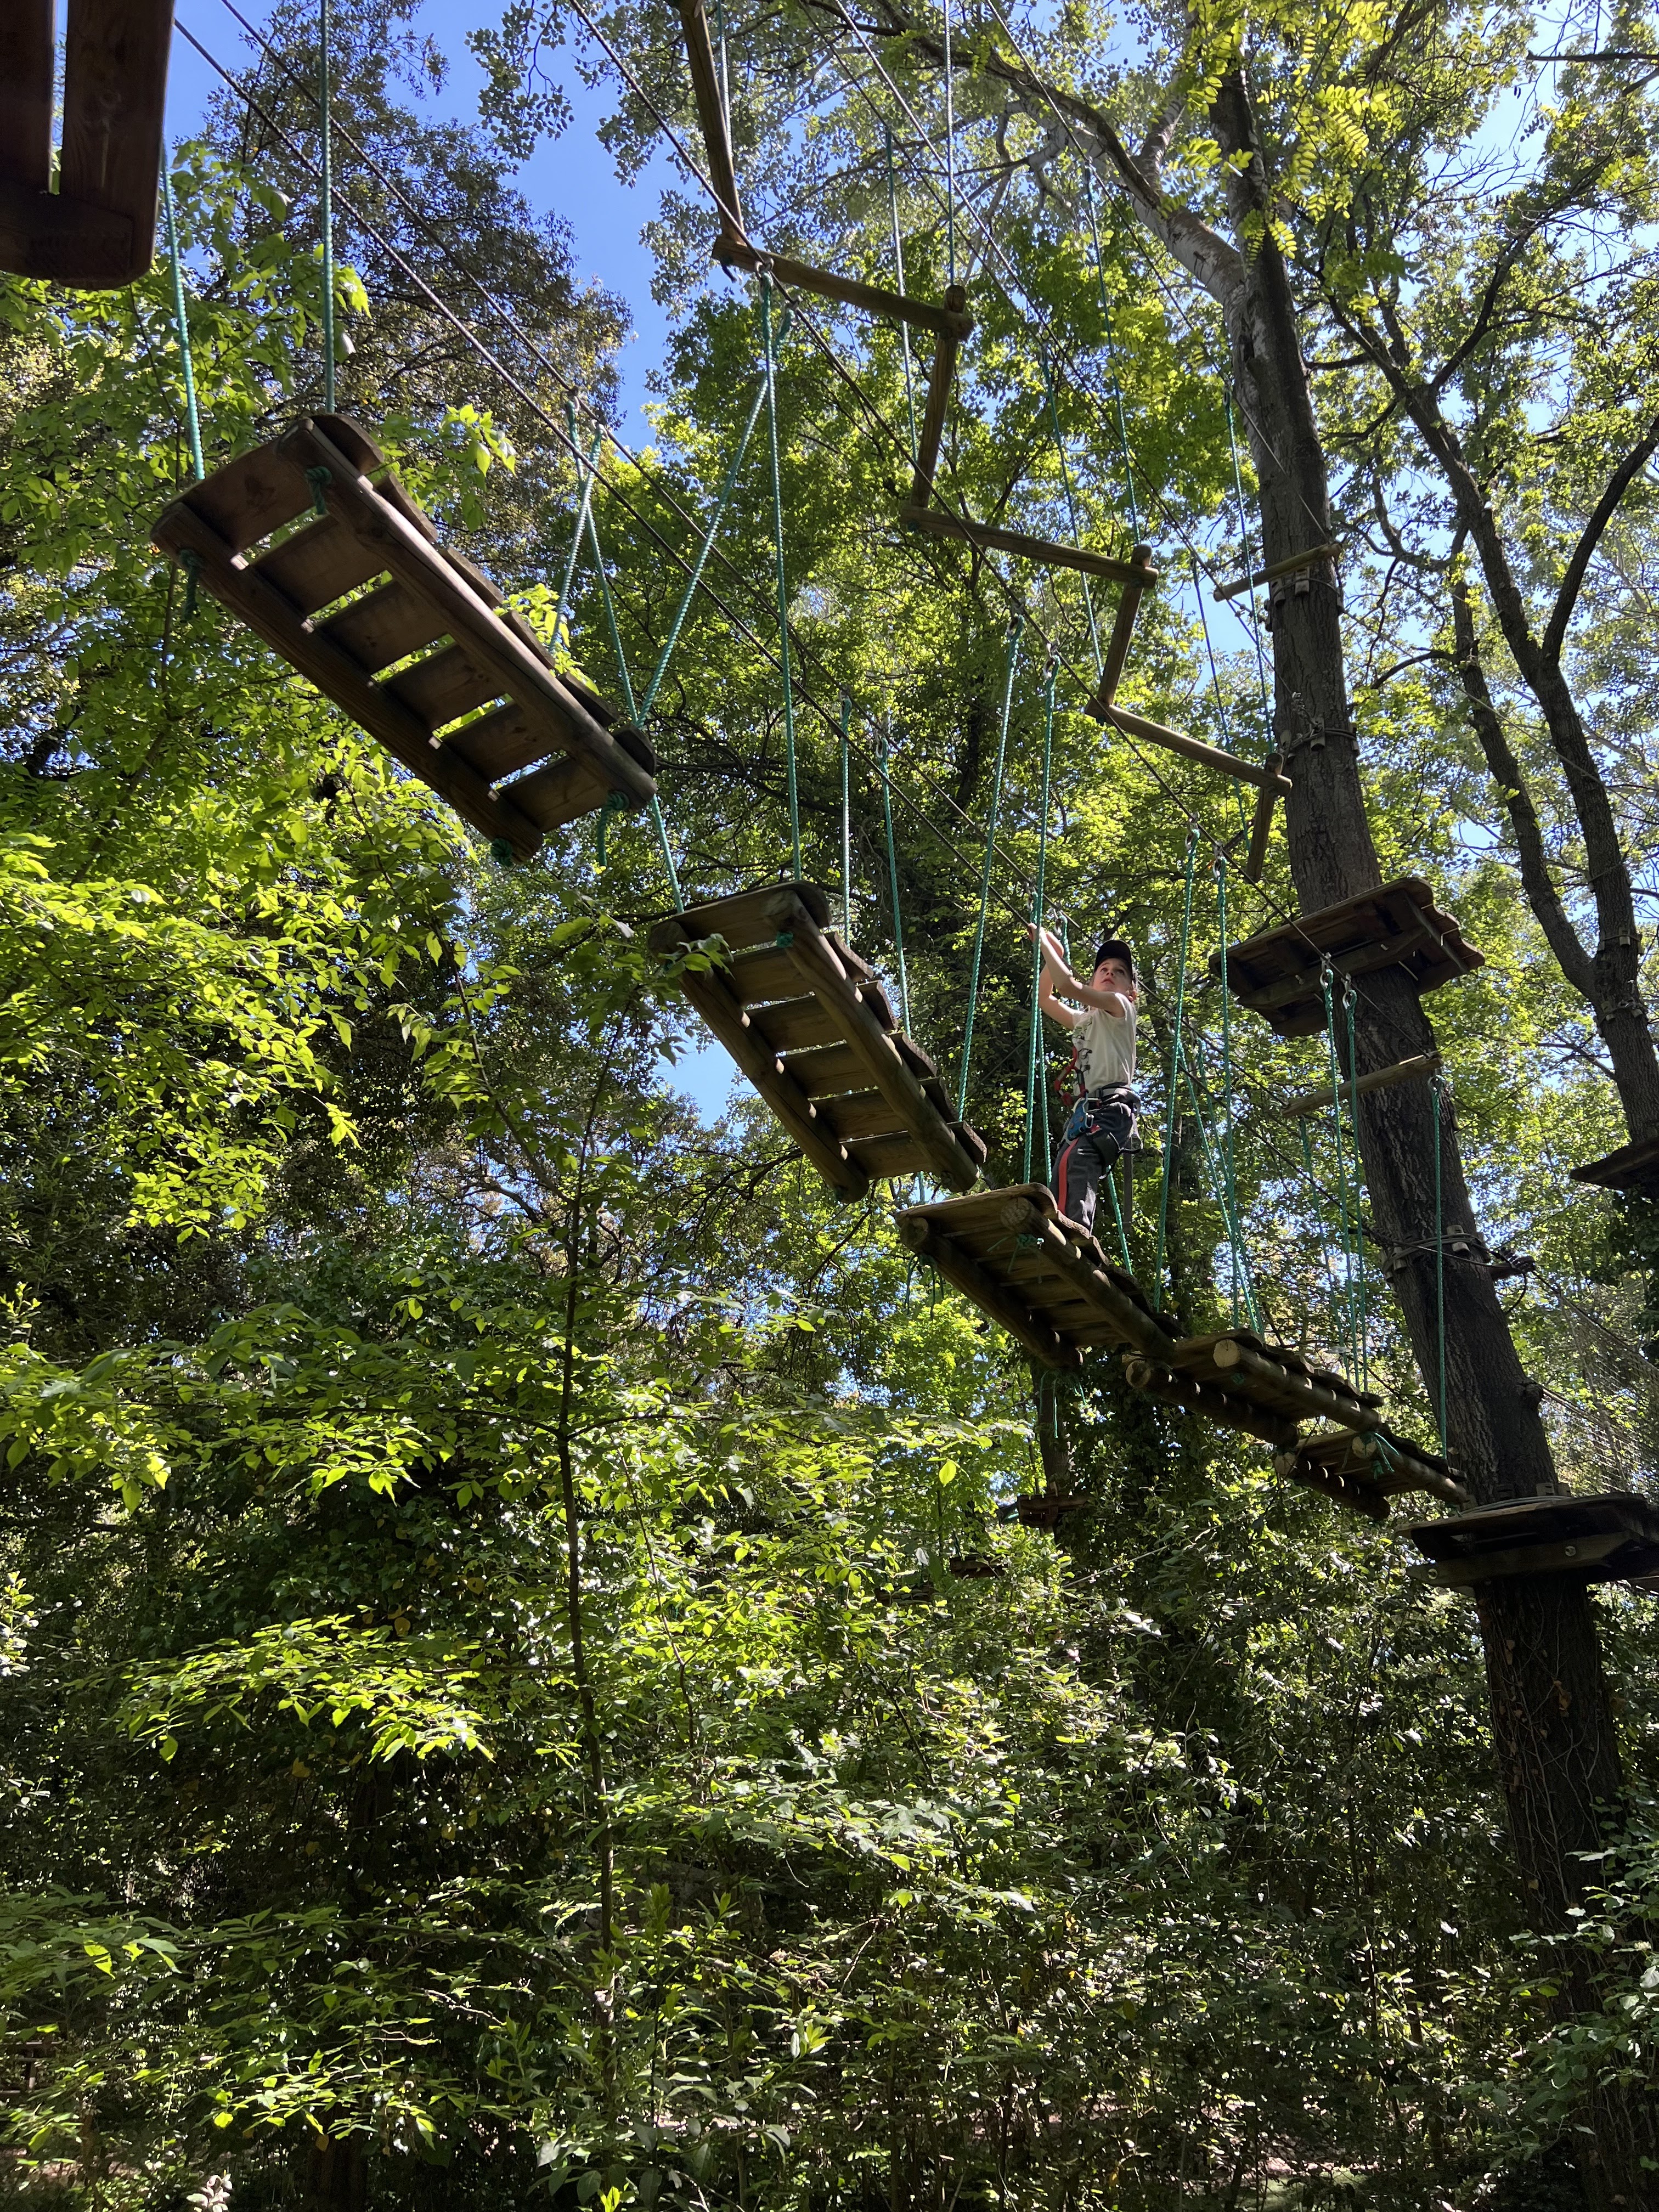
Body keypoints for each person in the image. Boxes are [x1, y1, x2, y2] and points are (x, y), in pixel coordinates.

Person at [1030, 926, 1138, 1240]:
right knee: (1066, 1165)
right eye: (1103, 969)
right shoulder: (1085, 1020)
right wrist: (1054, 957)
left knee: (1077, 1161)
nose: (1110, 973)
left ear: (1130, 991)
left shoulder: (1120, 1007)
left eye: (1119, 972)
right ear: (1092, 982)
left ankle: (1072, 1237)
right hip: (1090, 1111)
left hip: (1110, 1106)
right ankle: (1063, 1235)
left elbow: (1066, 985)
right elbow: (1045, 999)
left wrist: (1045, 943)